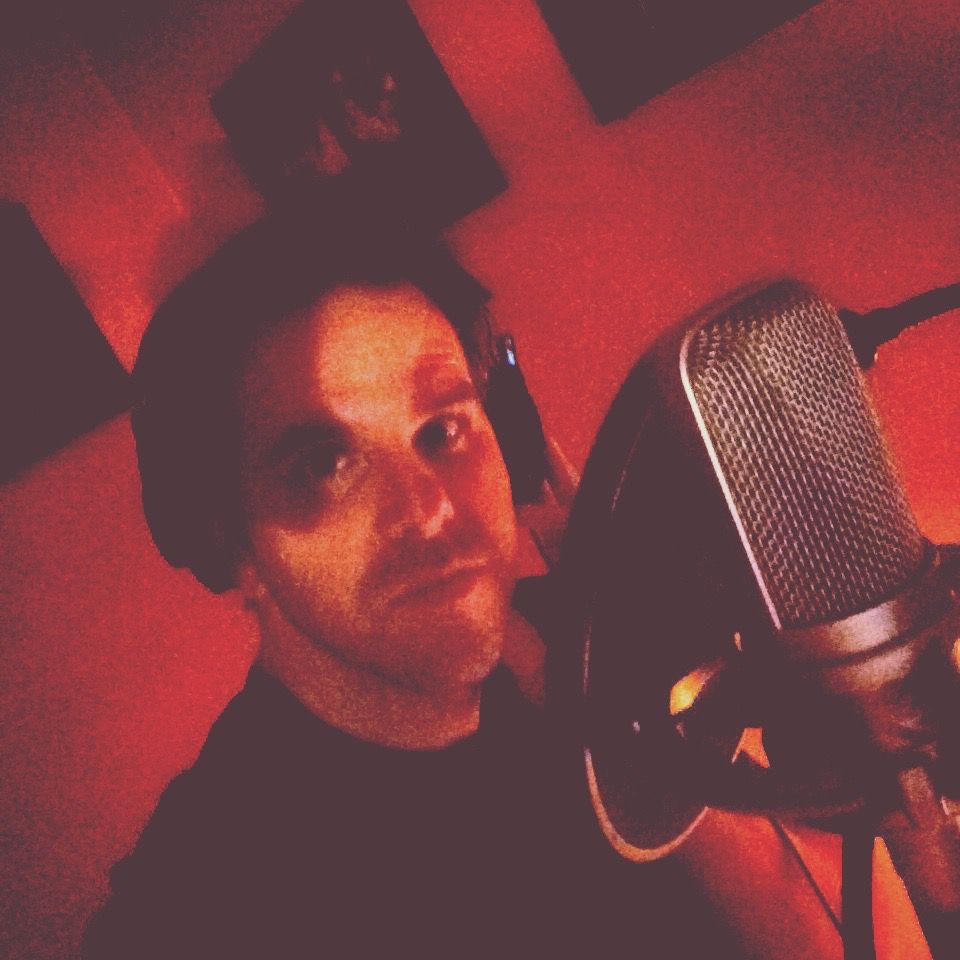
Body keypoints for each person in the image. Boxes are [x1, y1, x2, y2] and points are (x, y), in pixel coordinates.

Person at [81, 212, 736, 959]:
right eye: (322, 465)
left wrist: (639, 703)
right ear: (234, 547)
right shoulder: (204, 903)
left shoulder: (593, 637)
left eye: (442, 430)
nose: (428, 510)